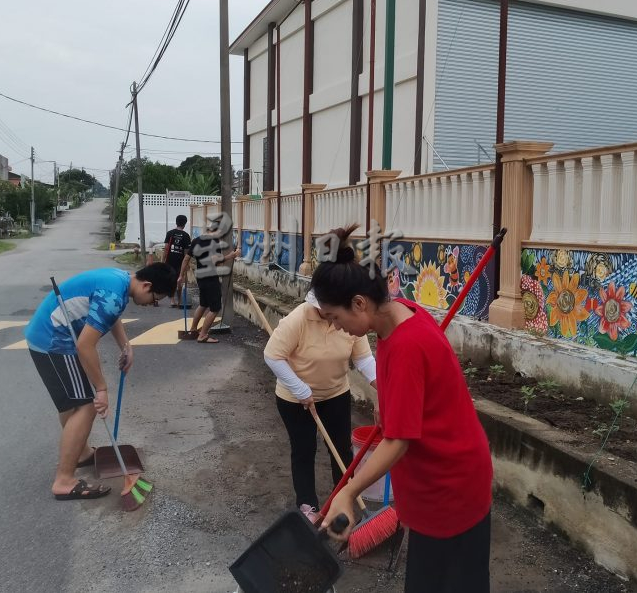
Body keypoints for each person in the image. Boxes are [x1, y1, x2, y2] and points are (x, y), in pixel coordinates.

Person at [314, 225, 493, 593]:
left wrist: (348, 490)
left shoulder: (409, 344)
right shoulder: (398, 315)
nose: (337, 327)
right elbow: (404, 385)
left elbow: (398, 441)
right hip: (438, 481)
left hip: (450, 487)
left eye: (335, 318)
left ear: (359, 303)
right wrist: (386, 399)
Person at [24, 263, 177, 500]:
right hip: (53, 341)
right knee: (85, 406)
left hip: (48, 336)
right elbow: (85, 345)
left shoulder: (121, 280)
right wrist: (102, 389)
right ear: (147, 285)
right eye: (155, 298)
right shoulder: (115, 294)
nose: (151, 304)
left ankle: (81, 453)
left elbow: (109, 315)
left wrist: (126, 346)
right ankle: (64, 480)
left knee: (71, 403)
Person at [264, 290, 377, 521]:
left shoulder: (348, 316)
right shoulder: (299, 318)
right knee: (304, 449)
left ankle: (343, 499)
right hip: (294, 398)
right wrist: (299, 389)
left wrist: (385, 389)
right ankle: (307, 505)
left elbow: (364, 359)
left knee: (342, 449)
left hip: (336, 393)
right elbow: (272, 355)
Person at [177, 220, 240, 344]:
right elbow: (215, 261)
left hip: (200, 276)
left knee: (203, 304)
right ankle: (203, 335)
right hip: (211, 278)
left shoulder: (196, 240)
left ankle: (194, 329)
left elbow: (186, 259)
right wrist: (231, 256)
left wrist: (181, 275)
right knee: (215, 308)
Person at [162, 214, 192, 308]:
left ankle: (172, 300)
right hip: (180, 262)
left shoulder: (169, 233)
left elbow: (166, 248)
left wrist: (163, 260)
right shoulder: (186, 236)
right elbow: (187, 253)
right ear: (184, 224)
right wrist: (187, 264)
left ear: (176, 222)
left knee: (172, 280)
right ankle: (179, 301)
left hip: (170, 260)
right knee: (180, 280)